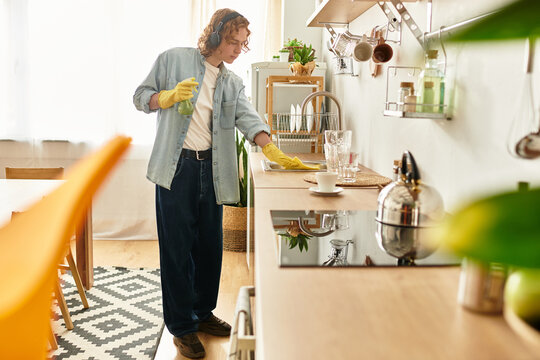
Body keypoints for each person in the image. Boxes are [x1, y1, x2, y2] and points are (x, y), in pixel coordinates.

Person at [133, 8, 317, 359]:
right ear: (215, 36)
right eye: (233, 41)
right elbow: (141, 97)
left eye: (243, 44)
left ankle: (202, 314)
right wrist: (166, 97)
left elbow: (247, 116)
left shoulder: (231, 82)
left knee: (209, 248)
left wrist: (273, 149)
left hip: (212, 173)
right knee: (177, 250)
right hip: (175, 171)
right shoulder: (172, 59)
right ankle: (182, 329)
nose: (237, 49)